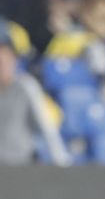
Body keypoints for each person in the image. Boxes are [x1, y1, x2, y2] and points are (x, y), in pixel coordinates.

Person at [0, 37, 71, 166]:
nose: (2, 67)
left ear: (14, 61)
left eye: (5, 61)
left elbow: (46, 127)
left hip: (21, 165)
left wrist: (61, 162)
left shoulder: (26, 87)